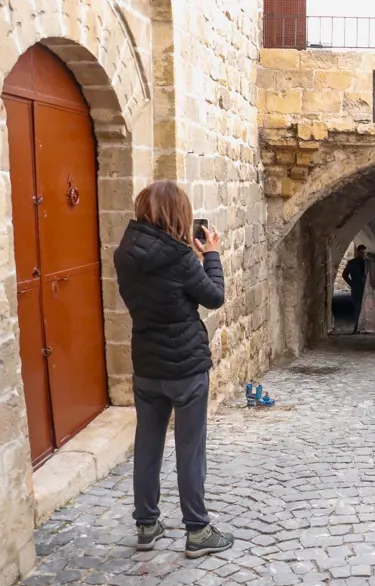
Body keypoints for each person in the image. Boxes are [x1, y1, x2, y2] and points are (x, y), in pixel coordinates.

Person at [114, 181, 234, 558]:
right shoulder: (181, 258)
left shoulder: (125, 253)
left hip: (146, 363)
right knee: (189, 447)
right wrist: (210, 255)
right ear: (177, 214)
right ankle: (197, 530)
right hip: (185, 366)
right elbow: (213, 297)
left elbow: (157, 293)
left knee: (147, 445)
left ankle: (146, 524)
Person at [342, 244, 367, 334]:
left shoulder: (368, 263)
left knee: (367, 308)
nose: (363, 254)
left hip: (367, 288)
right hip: (356, 287)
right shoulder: (352, 263)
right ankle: (357, 327)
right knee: (358, 307)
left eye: (364, 253)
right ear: (357, 252)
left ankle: (364, 327)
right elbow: (344, 275)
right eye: (361, 252)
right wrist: (351, 283)